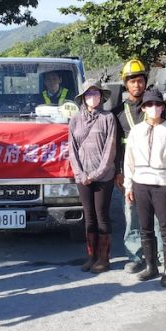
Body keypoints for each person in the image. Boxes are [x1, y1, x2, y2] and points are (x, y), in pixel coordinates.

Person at [113, 58, 164, 274]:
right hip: (131, 174)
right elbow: (114, 144)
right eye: (132, 81)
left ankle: (162, 256)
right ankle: (135, 256)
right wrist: (117, 171)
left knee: (158, 217)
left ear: (145, 82)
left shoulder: (155, 108)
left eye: (140, 80)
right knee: (132, 216)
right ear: (126, 84)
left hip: (156, 173)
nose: (137, 85)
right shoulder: (117, 113)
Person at [124, 88, 166, 287]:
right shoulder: (136, 131)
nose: (153, 108)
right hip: (140, 183)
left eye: (157, 104)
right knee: (145, 228)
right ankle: (151, 266)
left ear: (163, 107)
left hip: (163, 184)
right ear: (143, 108)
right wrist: (129, 185)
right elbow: (128, 161)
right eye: (149, 105)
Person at [69, 78, 117, 274]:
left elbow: (110, 150)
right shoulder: (75, 120)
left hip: (103, 176)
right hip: (82, 177)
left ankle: (104, 258)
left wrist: (96, 173)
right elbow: (71, 149)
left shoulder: (108, 118)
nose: (92, 97)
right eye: (88, 94)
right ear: (83, 98)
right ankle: (92, 256)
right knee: (89, 218)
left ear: (101, 96)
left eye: (95, 93)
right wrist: (81, 174)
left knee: (102, 216)